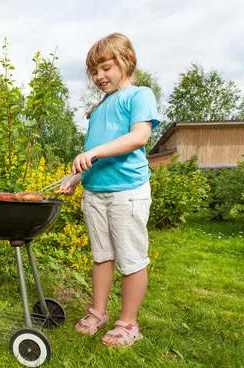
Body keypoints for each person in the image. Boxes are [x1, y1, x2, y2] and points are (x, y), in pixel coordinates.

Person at [59, 33, 160, 347]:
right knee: (102, 256)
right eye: (94, 71)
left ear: (126, 62)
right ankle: (98, 312)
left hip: (125, 191)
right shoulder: (99, 107)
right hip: (95, 193)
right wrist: (76, 178)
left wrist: (95, 153)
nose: (99, 76)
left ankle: (128, 323)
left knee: (131, 259)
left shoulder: (139, 95)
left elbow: (138, 137)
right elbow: (94, 152)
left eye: (106, 68)